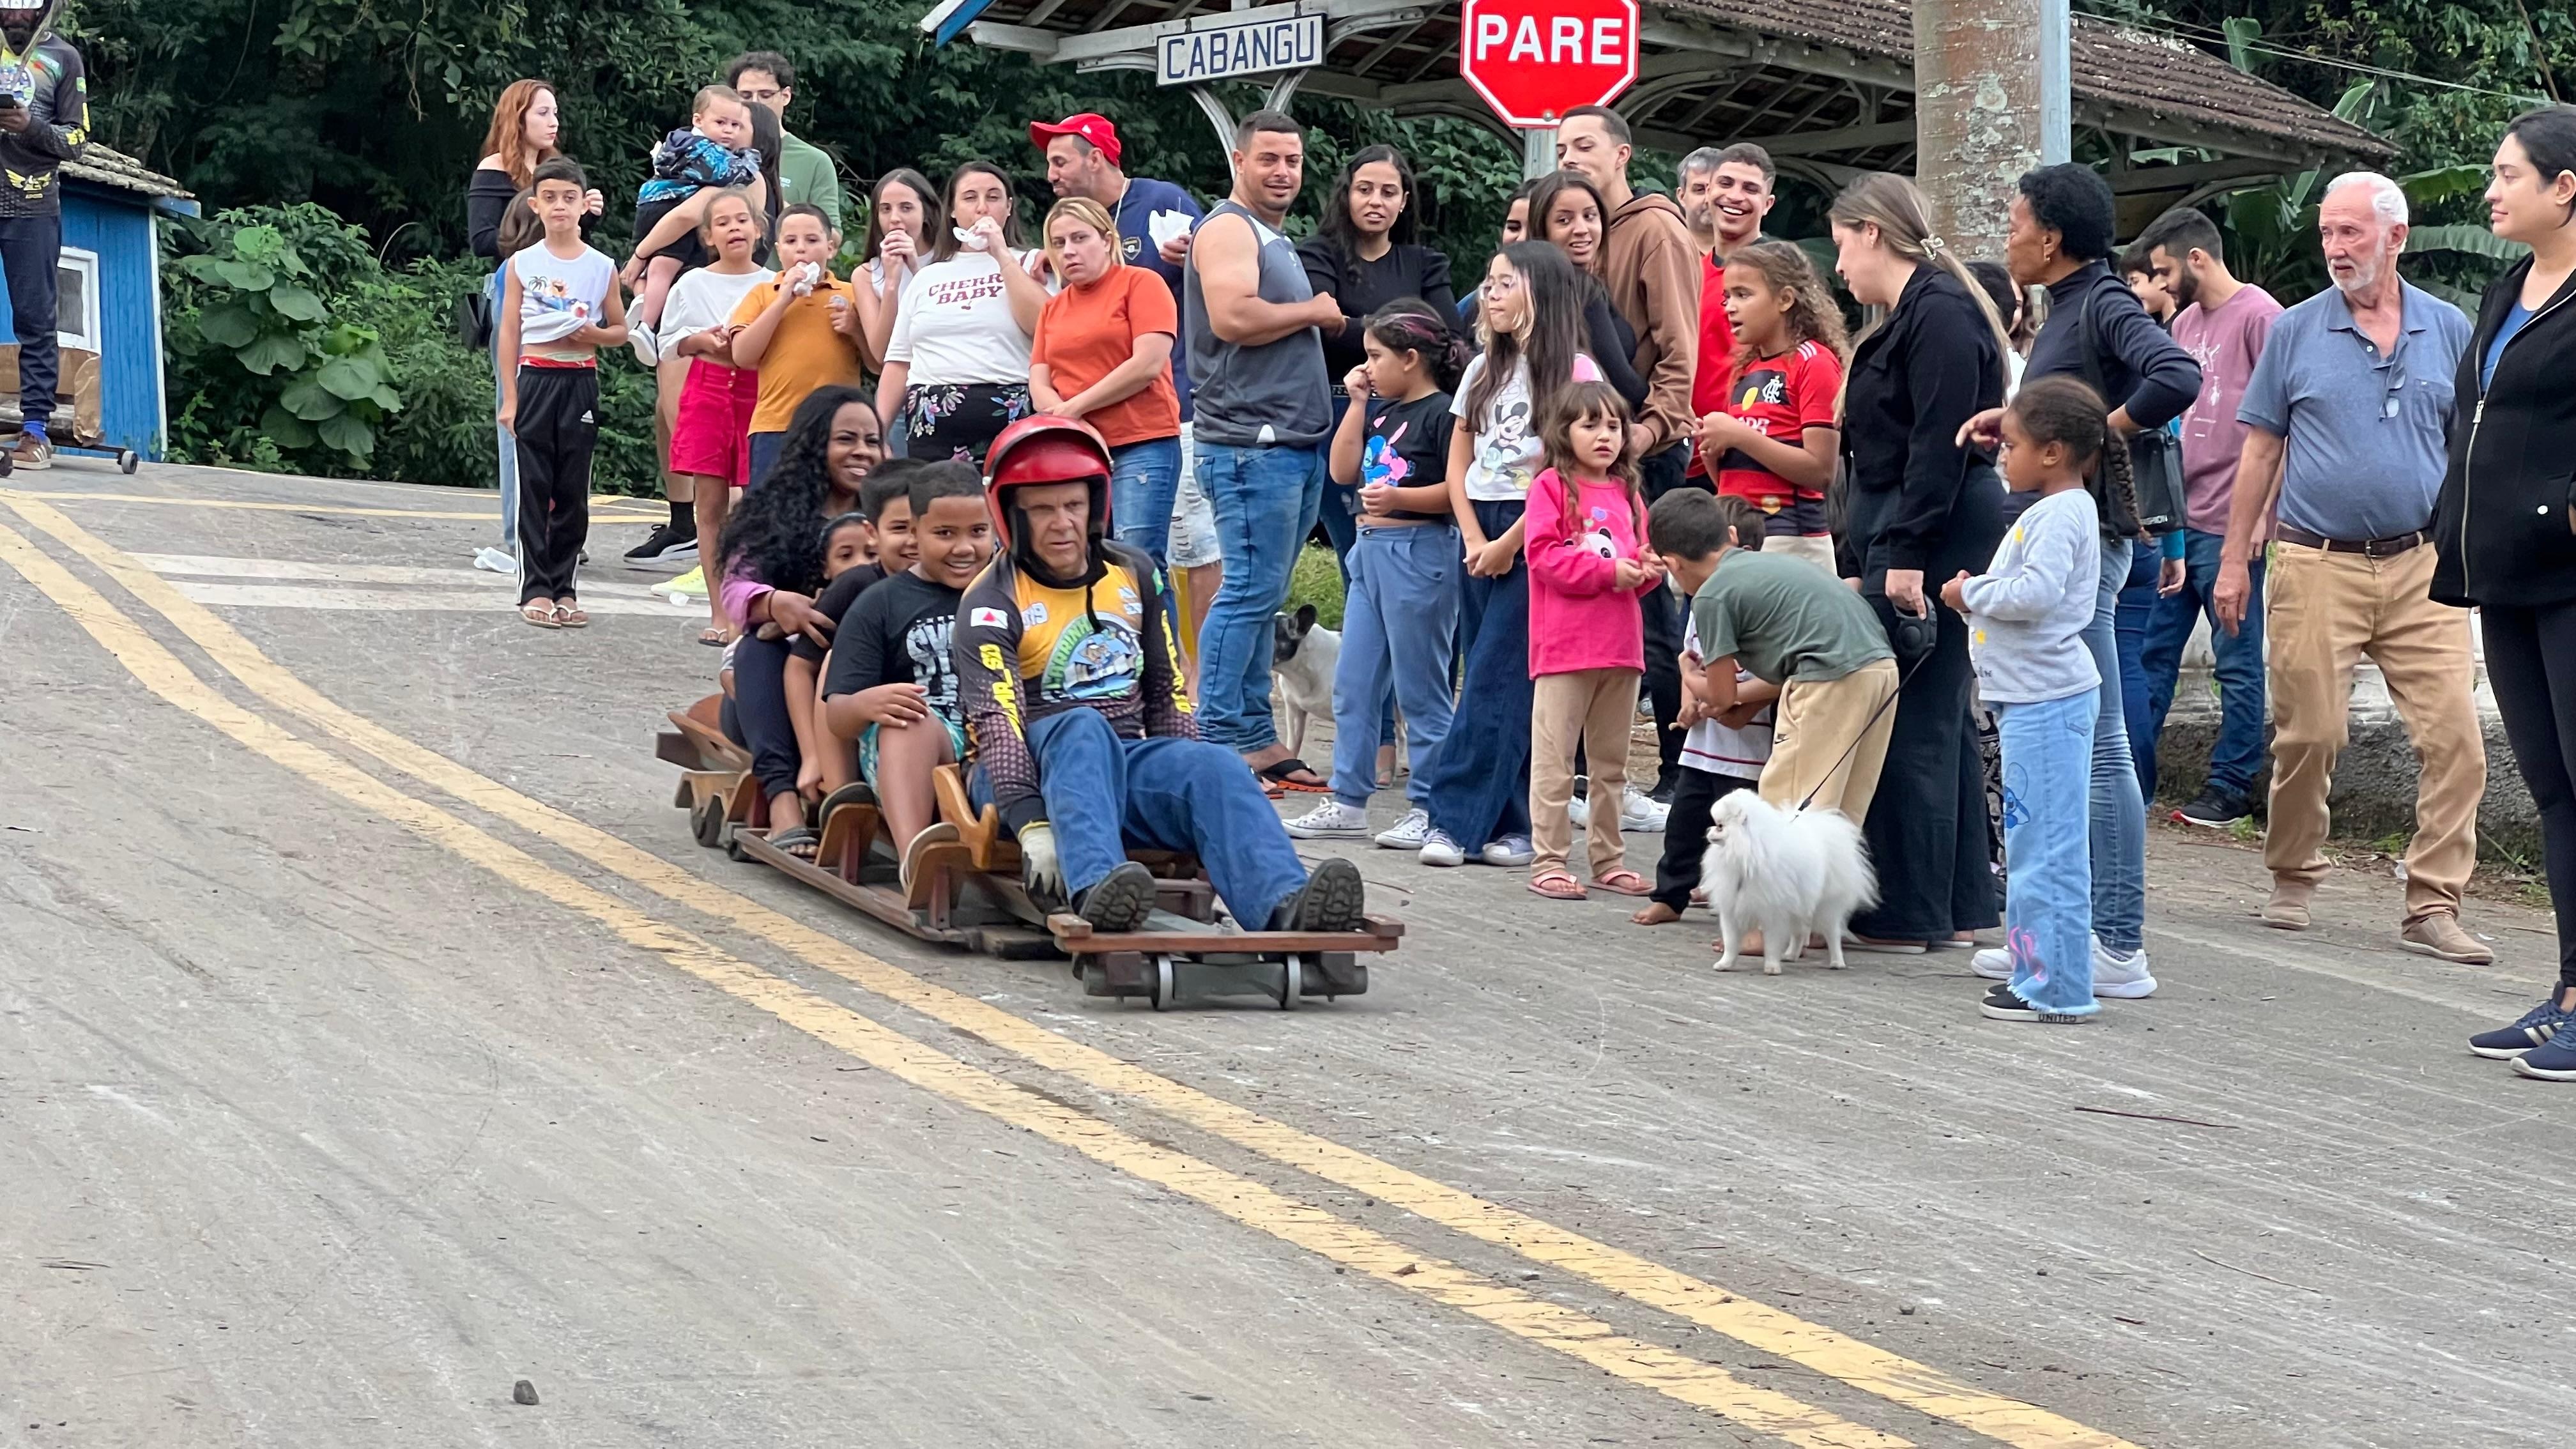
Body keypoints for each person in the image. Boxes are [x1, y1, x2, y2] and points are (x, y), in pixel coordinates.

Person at [2211, 171, 2488, 964]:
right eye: (2327, 232)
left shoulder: (2449, 328)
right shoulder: (2295, 330)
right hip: (2314, 560)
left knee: (2459, 742)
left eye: (2351, 232)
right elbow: (2260, 451)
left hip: (2423, 565)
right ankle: (2293, 875)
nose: (2334, 247)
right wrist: (2234, 560)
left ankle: (2434, 902)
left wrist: (2477, 548)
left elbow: (2473, 447)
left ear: (2396, 237)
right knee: (2311, 734)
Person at [953, 415, 1367, 933]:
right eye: (1041, 510)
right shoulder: (991, 602)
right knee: (1082, 727)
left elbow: (1167, 693)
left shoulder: (1134, 572)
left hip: (1121, 764)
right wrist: (1031, 821)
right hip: (1021, 779)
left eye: (1073, 505)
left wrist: (1193, 783)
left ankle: (1286, 903)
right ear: (1011, 516)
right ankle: (1098, 887)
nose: (1062, 523)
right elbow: (997, 725)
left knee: (1215, 762)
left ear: (1095, 505)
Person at [1963, 162, 2200, 982]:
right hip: (2072, 541)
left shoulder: (2102, 300)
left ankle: (2118, 943)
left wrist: (2102, 435)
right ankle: (2060, 932)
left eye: (2015, 224)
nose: (2009, 239)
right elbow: (2073, 404)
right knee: (2079, 745)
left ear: (2052, 238)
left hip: (2089, 548)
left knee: (2101, 748)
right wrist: (2019, 423)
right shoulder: (2069, 306)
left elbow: (2178, 375)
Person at [1827, 172, 2011, 954]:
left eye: (1842, 245)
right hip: (1907, 522)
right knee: (1935, 717)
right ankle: (1959, 903)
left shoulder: (1940, 314)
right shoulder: (1919, 313)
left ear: (1872, 232)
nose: (1840, 266)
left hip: (1929, 527)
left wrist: (1903, 553)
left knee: (1905, 718)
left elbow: (1940, 442)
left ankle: (1908, 909)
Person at [2439, 106, 2576, 1077]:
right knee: (2556, 792)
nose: (2491, 192)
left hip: (2567, 574)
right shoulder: (2504, 292)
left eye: (2508, 174)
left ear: (2566, 188)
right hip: (2504, 574)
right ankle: (2569, 992)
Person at [1412, 241, 1602, 868]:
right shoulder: (1480, 369)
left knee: (1497, 675)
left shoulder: (1576, 372)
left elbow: (1570, 469)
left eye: (1503, 284)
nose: (1489, 295)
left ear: (1540, 293)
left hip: (1538, 527)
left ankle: (1450, 822)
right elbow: (1458, 459)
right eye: (1488, 283)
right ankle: (1512, 823)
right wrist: (1473, 537)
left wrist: (1508, 543)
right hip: (1480, 525)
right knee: (1491, 675)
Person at [1941, 376, 2120, 1021]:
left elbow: (2036, 595)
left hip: (2049, 702)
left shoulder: (2061, 513)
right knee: (2031, 845)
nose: (2003, 455)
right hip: (2031, 702)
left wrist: (1970, 594)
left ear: (2052, 452)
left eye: (2012, 445)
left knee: (2048, 850)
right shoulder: (2054, 512)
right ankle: (2034, 970)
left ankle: (2056, 987)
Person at [1181, 109, 1338, 790]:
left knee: (1264, 593)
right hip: (1251, 445)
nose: (1282, 172)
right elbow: (1232, 316)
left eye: (1292, 161)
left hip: (1288, 444)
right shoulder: (1228, 229)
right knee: (1246, 593)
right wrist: (1315, 311)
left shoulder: (1271, 236)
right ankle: (1217, 737)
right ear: (1239, 162)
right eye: (1268, 159)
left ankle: (1254, 735)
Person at [1554, 105, 1699, 802]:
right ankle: (1582, 771)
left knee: (1650, 608)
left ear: (1622, 155)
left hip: (1644, 448)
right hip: (1585, 448)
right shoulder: (1581, 238)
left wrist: (1645, 433)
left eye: (1584, 144)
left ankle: (1675, 772)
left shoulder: (1657, 228)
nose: (1570, 156)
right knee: (1588, 598)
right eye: (1561, 148)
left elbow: (1679, 349)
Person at [1287, 303, 1466, 849]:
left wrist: (1401, 499)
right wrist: (1359, 403)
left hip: (1419, 551)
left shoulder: (1443, 413)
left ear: (1411, 359)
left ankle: (1431, 806)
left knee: (1420, 688)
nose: (1366, 367)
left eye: (1375, 356)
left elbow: (1458, 490)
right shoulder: (1382, 411)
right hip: (1369, 553)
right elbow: (1343, 469)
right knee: (1354, 683)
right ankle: (1348, 800)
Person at [2133, 204, 2281, 827]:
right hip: (2177, 520)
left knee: (2237, 662)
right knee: (2151, 655)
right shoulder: (2186, 323)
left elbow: (2284, 425)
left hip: (2231, 524)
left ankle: (2230, 786)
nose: (2162, 285)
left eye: (2166, 271)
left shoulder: (2262, 317)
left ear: (2196, 258)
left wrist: (2261, 519)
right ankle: (2132, 781)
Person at [1659, 486, 1898, 818]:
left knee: (1789, 811)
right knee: (1839, 814)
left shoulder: (1712, 595)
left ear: (1671, 564)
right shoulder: (1774, 565)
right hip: (1881, 668)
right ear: (1730, 535)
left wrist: (1688, 673)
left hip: (1827, 678)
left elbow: (1722, 698)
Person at [719, 386, 886, 855]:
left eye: (872, 440)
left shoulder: (894, 515)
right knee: (760, 646)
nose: (862, 452)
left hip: (854, 690)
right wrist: (774, 604)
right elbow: (734, 590)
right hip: (768, 700)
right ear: (815, 444)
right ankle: (783, 805)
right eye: (846, 439)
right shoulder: (771, 513)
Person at [1521, 382, 1663, 901]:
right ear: (1564, 432)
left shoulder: (1628, 492)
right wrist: (1610, 572)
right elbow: (1544, 556)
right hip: (1564, 650)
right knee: (1556, 762)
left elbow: (1638, 562)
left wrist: (1646, 569)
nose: (1605, 435)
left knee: (1612, 765)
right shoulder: (1550, 487)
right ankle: (1549, 860)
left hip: (1621, 648)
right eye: (1590, 425)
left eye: (1614, 426)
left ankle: (1609, 859)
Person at [821, 461, 994, 880]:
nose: (964, 548)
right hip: (917, 749)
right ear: (915, 534)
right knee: (909, 716)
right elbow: (837, 715)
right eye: (945, 534)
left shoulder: (1009, 590)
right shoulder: (880, 602)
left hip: (996, 738)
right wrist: (866, 704)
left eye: (978, 532)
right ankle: (916, 860)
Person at [1298, 145, 1457, 576]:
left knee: (1409, 539)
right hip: (1340, 410)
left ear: (1404, 201)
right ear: (1347, 194)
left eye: (1389, 192)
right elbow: (1323, 330)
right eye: (1365, 190)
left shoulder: (1425, 262)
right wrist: (1405, 334)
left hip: (1414, 418)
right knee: (1355, 543)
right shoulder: (1319, 254)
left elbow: (1448, 337)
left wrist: (1354, 327)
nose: (1376, 201)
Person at [466, 80, 601, 572]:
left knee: (565, 417)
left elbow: (570, 247)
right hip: (516, 290)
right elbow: (483, 240)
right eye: (543, 112)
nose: (553, 121)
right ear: (518, 116)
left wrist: (583, 217)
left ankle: (559, 533)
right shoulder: (495, 169)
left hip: (563, 297)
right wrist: (539, 211)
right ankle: (520, 536)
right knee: (519, 413)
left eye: (556, 112)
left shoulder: (556, 173)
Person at [1632, 494, 1779, 927]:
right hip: (1702, 750)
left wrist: (1704, 690)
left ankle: (1743, 912)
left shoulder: (1751, 608)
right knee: (1683, 827)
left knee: (1742, 839)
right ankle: (1670, 895)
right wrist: (1688, 702)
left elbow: (1739, 687)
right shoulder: (1702, 605)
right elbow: (1691, 660)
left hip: (1748, 752)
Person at [495, 158, 626, 631]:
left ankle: (564, 586)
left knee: (572, 489)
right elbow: (509, 332)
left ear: (584, 204)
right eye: (549, 198)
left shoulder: (602, 267)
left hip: (580, 379)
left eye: (569, 198)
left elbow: (620, 330)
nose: (559, 207)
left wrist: (593, 334)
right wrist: (510, 398)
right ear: (535, 205)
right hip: (535, 376)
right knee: (533, 486)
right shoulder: (522, 263)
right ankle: (534, 587)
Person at [1029, 196, 1183, 569]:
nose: (1069, 251)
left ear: (1107, 240)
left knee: (1136, 560)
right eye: (1059, 243)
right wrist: (1069, 419)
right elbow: (1038, 380)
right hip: (1078, 448)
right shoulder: (1052, 307)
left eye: (1080, 238)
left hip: (1142, 441)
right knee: (1088, 562)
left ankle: (1152, 613)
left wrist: (1073, 409)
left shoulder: (1142, 283)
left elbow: (1147, 364)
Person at [656, 189, 774, 640]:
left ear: (759, 228)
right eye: (722, 223)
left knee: (757, 501)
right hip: (707, 390)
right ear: (708, 236)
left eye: (742, 220)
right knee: (709, 504)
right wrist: (700, 342)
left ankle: (753, 604)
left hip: (761, 391)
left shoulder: (776, 283)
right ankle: (719, 612)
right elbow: (669, 343)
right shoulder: (692, 284)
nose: (734, 229)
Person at [880, 161, 1046, 464]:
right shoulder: (929, 276)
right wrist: (878, 432)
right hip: (932, 424)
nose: (982, 208)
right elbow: (899, 362)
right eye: (970, 198)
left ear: (1009, 208)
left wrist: (1001, 254)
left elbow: (1044, 326)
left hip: (1010, 416)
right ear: (953, 211)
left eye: (993, 198)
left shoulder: (1033, 263)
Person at [1694, 240, 1844, 573]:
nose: (1730, 307)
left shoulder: (1814, 363)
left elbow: (1821, 472)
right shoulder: (1745, 370)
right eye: (1727, 297)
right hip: (1738, 537)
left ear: (1785, 299)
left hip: (1793, 541)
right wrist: (1713, 452)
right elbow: (1733, 479)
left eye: (1743, 295)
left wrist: (1739, 435)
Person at [0, 0, 85, 472]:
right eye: (7, 7)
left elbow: (76, 140)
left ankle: (35, 431)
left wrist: (30, 126)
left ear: (45, 8)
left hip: (31, 207)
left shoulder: (63, 58)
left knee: (35, 320)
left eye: (25, 7)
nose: (14, 17)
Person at [729, 204, 866, 487]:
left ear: (831, 248)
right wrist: (783, 301)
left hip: (840, 428)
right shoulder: (764, 293)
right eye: (791, 241)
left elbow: (878, 362)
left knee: (837, 508)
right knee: (773, 509)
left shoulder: (853, 294)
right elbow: (741, 355)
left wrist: (855, 329)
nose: (801, 249)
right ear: (779, 251)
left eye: (812, 240)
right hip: (776, 425)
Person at [1678, 144, 1777, 493]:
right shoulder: (1692, 271)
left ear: (1768, 204)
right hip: (1688, 458)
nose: (1735, 196)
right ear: (1708, 192)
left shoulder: (1781, 273)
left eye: (1750, 188)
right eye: (1726, 183)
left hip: (1752, 462)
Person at [624, 85, 759, 332]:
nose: (729, 131)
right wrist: (748, 158)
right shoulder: (703, 149)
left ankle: (643, 301)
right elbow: (727, 175)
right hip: (674, 203)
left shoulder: (679, 142)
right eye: (721, 123)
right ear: (698, 120)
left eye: (735, 125)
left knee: (652, 269)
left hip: (650, 204)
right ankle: (647, 325)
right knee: (665, 267)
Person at [1526, 170, 1650, 413]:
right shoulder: (1579, 288)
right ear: (1542, 229)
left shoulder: (1530, 284)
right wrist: (1668, 409)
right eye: (1564, 221)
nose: (1581, 229)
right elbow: (1621, 381)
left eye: (1590, 216)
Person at [726, 52, 843, 227]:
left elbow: (832, 234)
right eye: (746, 96)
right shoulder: (716, 151)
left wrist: (773, 201)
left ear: (786, 96)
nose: (755, 102)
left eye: (766, 95)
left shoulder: (815, 161)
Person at [853, 167, 939, 388]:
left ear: (926, 213)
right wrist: (891, 284)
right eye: (886, 209)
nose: (895, 219)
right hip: (899, 389)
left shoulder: (949, 261)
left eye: (906, 208)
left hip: (945, 381)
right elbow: (880, 353)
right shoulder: (866, 275)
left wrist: (916, 268)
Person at [1459, 178, 1540, 333]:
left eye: (1535, 230)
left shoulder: (1579, 299)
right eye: (1513, 228)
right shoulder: (1474, 305)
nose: (1522, 238)